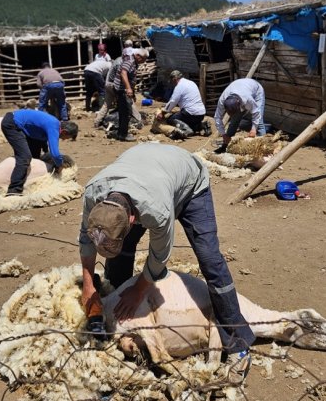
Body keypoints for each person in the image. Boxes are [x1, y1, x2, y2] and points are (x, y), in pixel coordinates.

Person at [78, 143, 255, 382]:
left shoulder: (156, 211)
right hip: (148, 171)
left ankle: (238, 343)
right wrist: (89, 286)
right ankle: (117, 310)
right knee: (121, 253)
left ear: (132, 219)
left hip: (190, 184)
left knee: (209, 259)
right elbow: (86, 241)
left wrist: (139, 291)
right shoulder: (93, 195)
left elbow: (159, 257)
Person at [0, 108, 78, 196]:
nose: (63, 139)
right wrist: (60, 165)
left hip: (24, 128)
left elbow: (42, 139)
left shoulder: (54, 124)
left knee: (35, 157)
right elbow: (55, 154)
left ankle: (30, 181)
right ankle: (14, 190)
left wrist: (45, 151)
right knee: (25, 157)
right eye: (65, 137)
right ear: (64, 131)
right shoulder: (54, 126)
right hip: (13, 124)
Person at [153, 70, 209, 140]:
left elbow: (173, 101)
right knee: (185, 120)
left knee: (171, 119)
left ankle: (186, 130)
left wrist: (163, 112)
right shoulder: (191, 83)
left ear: (174, 79)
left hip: (191, 113)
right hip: (201, 113)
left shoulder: (179, 86)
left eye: (172, 81)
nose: (172, 83)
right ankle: (201, 125)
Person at [214, 78, 267, 151]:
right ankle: (226, 144)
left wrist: (254, 129)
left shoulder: (247, 99)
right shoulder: (222, 101)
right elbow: (217, 118)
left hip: (256, 91)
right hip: (240, 88)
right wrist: (223, 134)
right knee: (234, 121)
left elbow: (256, 113)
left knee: (259, 122)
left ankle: (264, 148)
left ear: (239, 104)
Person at [112, 48, 148, 142]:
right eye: (143, 59)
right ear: (138, 56)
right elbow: (123, 73)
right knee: (125, 112)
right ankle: (123, 135)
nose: (144, 61)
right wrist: (128, 88)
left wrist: (132, 91)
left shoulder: (134, 62)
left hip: (123, 89)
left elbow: (131, 77)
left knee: (123, 112)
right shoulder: (130, 61)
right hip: (121, 89)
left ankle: (121, 133)